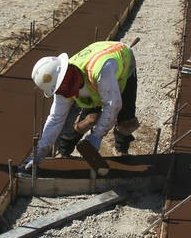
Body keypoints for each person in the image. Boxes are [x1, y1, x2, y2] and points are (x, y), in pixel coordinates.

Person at [21, 40, 140, 172]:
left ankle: (121, 149)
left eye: (63, 88)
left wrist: (97, 136)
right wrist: (39, 154)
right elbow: (56, 118)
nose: (62, 93)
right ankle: (64, 151)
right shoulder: (59, 86)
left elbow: (113, 105)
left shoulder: (101, 70)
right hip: (94, 76)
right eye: (59, 90)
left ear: (67, 75)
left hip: (120, 61)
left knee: (127, 123)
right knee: (89, 119)